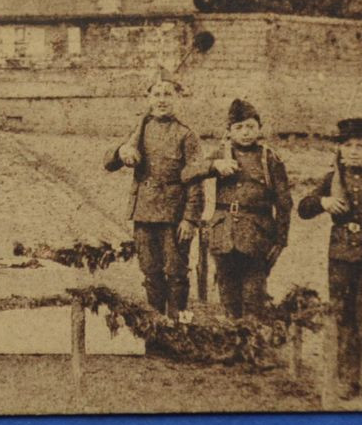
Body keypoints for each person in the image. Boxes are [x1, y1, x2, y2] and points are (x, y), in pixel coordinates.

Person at [297, 117, 362, 401]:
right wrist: (324, 202)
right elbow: (303, 208)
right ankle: (347, 379)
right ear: (340, 150)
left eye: (361, 145)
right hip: (341, 261)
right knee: (343, 319)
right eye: (348, 145)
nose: (355, 151)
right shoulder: (333, 180)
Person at [103, 77, 208, 316]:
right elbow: (108, 163)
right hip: (144, 213)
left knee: (176, 274)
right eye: (157, 94)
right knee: (150, 272)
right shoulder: (140, 130)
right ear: (149, 98)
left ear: (177, 99)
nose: (162, 100)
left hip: (173, 216)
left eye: (168, 94)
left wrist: (190, 219)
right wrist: (122, 151)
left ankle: (178, 327)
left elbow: (195, 178)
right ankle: (155, 329)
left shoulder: (186, 135)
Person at [204, 98, 292, 318]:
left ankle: (252, 346)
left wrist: (280, 241)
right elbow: (188, 174)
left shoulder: (269, 158)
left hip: (256, 237)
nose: (245, 133)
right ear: (229, 131)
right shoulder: (220, 153)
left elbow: (284, 203)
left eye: (251, 126)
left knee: (254, 297)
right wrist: (214, 165)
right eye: (239, 127)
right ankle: (232, 344)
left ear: (259, 128)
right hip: (223, 236)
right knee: (228, 295)